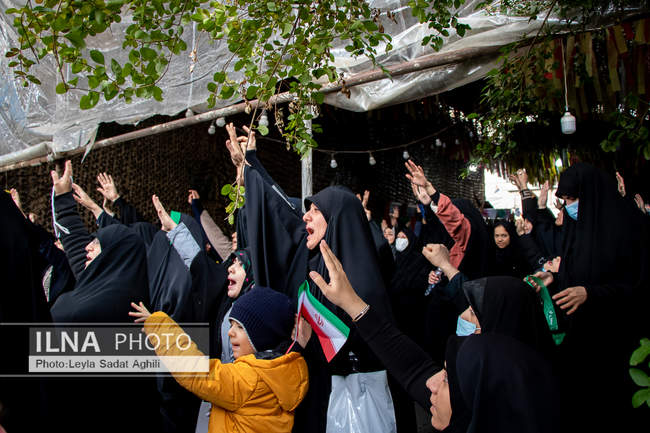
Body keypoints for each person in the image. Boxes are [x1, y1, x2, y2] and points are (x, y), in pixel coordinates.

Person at [224, 123, 394, 433]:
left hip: (350, 401)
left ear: (336, 219)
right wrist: (251, 166)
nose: (306, 216)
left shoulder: (365, 282)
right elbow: (280, 214)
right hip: (315, 399)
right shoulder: (310, 262)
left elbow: (375, 349)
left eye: (315, 210)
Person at [309, 240, 560, 433]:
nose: (432, 384)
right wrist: (350, 302)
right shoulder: (472, 394)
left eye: (473, 314)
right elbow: (414, 368)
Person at [533, 162, 650, 432]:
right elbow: (577, 272)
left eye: (573, 199)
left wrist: (592, 294)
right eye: (564, 200)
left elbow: (639, 287)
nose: (568, 206)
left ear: (592, 194)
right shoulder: (576, 228)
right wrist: (555, 278)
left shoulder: (629, 227)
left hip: (617, 341)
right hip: (582, 339)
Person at [48, 160, 159, 432]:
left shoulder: (113, 307)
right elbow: (77, 249)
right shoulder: (106, 284)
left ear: (113, 255)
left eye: (96, 244)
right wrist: (63, 200)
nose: (88, 249)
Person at [131, 286, 309, 433]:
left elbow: (194, 370)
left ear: (264, 336)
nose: (230, 332)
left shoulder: (248, 379)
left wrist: (158, 325)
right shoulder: (285, 368)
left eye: (240, 327)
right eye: (231, 325)